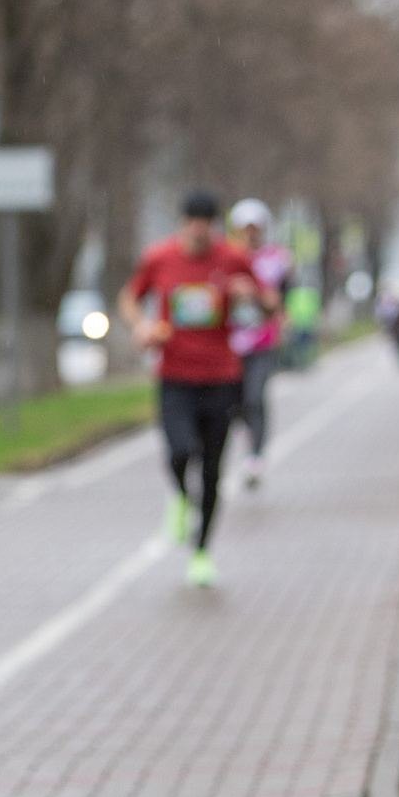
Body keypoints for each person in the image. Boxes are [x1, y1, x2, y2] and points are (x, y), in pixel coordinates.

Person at [116, 190, 270, 587]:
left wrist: (251, 295)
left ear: (214, 227)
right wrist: (142, 326)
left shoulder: (233, 259)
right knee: (180, 450)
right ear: (183, 224)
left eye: (207, 226)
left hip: (221, 377)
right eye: (193, 225)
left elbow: (271, 303)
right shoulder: (160, 258)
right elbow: (130, 298)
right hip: (175, 376)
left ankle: (201, 552)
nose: (199, 233)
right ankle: (180, 497)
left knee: (214, 470)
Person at [226, 199, 294, 488]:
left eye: (256, 228)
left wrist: (282, 316)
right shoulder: (225, 257)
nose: (251, 233)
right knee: (234, 403)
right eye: (246, 228)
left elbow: (284, 295)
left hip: (262, 340)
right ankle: (249, 436)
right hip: (229, 342)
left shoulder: (277, 258)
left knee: (255, 397)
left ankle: (255, 455)